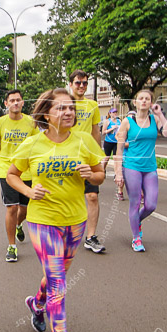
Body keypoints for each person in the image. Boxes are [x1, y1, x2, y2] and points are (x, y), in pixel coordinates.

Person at [9, 89, 104, 332]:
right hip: (42, 221)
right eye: (61, 108)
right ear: (46, 114)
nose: (68, 112)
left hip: (75, 221)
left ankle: (36, 304)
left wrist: (91, 174)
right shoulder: (33, 144)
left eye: (71, 108)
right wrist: (28, 191)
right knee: (59, 284)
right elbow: (12, 174)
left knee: (56, 275)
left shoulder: (83, 141)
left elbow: (100, 173)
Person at [113, 90, 167, 252]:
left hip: (150, 167)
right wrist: (118, 172)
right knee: (134, 202)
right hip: (132, 166)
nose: (144, 101)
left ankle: (136, 220)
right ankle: (136, 238)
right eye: (141, 98)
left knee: (151, 205)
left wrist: (160, 114)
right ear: (135, 102)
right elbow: (119, 150)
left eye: (147, 99)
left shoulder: (154, 119)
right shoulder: (127, 122)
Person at [0, 90, 38, 263]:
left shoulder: (31, 123)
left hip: (27, 171)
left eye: (18, 100)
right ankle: (12, 246)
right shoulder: (0, 124)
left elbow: (38, 148)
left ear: (23, 103)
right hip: (6, 171)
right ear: (6, 104)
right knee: (12, 207)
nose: (15, 103)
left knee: (24, 209)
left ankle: (18, 225)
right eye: (12, 100)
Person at [68, 71, 104, 254]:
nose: (81, 86)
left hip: (87, 157)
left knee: (92, 196)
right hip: (66, 157)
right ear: (70, 84)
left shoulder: (93, 105)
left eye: (84, 83)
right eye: (78, 83)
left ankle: (91, 237)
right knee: (66, 196)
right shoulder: (66, 103)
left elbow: (95, 131)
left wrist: (97, 156)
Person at [101, 108, 125, 201]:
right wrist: (111, 128)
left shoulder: (119, 121)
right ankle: (102, 170)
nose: (115, 113)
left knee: (116, 158)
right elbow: (103, 132)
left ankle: (116, 174)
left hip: (116, 142)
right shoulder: (107, 121)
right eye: (113, 112)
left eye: (116, 112)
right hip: (108, 142)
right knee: (106, 158)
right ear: (110, 113)